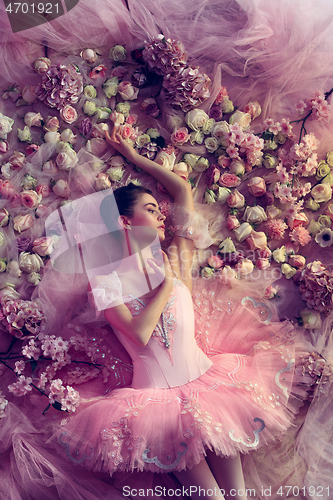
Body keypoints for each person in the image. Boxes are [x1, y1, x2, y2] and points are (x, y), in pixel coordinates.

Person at [51, 126, 302, 500]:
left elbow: (184, 191)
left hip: (211, 386)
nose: (161, 216)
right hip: (157, 406)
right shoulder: (104, 282)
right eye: (150, 211)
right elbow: (137, 334)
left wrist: (135, 159)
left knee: (239, 496)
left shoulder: (176, 259)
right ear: (125, 222)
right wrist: (168, 284)